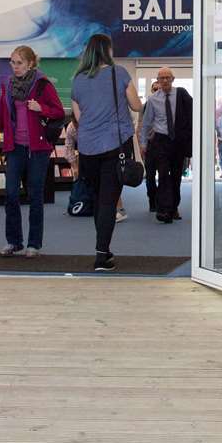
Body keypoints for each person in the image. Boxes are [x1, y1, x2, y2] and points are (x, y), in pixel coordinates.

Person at [0, 45, 65, 258]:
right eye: (12, 62)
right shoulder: (8, 85)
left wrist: (41, 109)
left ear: (30, 64)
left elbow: (58, 112)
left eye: (19, 63)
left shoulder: (43, 85)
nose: (14, 67)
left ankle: (34, 244)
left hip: (38, 149)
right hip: (15, 148)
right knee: (10, 194)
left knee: (35, 195)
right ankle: (14, 241)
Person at [70, 33, 142, 271]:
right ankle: (102, 255)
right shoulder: (118, 73)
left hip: (88, 149)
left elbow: (79, 117)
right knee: (109, 202)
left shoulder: (78, 79)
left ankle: (103, 249)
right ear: (107, 51)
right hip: (114, 146)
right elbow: (136, 105)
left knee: (99, 199)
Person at [140, 67, 193, 224]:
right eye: (161, 78)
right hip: (161, 141)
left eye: (167, 78)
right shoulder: (153, 100)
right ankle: (164, 210)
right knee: (163, 175)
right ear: (157, 80)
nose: (164, 81)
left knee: (176, 176)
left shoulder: (182, 95)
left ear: (173, 79)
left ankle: (174, 206)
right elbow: (146, 123)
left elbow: (194, 114)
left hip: (178, 142)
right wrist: (143, 144)